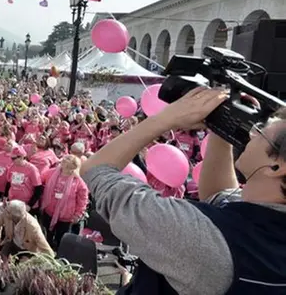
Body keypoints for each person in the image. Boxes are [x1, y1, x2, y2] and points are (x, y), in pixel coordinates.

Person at [80, 87, 286, 294]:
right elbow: (221, 197)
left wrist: (167, 118)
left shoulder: (200, 239)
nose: (251, 134)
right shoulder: (266, 233)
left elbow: (97, 171)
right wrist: (223, 128)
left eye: (260, 132)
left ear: (277, 167)